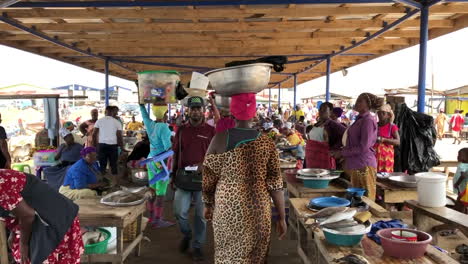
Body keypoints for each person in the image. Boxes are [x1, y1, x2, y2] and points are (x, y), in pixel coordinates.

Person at [203, 93, 287, 264]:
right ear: (254, 112)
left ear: (232, 111)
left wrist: (207, 203)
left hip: (226, 208)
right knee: (255, 257)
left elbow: (208, 177)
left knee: (227, 255)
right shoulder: (267, 143)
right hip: (258, 211)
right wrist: (282, 217)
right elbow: (276, 186)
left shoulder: (219, 138)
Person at [0, 169, 83, 263]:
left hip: (55, 219)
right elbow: (14, 208)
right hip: (40, 219)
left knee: (39, 257)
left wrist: (23, 244)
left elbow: (27, 214)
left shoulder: (1, 182)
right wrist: (14, 232)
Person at [171, 96, 215, 261]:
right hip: (183, 178)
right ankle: (187, 234)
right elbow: (176, 153)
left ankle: (197, 246)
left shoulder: (211, 131)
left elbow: (217, 155)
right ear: (188, 110)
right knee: (179, 212)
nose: (195, 111)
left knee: (201, 216)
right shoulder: (181, 130)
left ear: (203, 111)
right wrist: (172, 174)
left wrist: (204, 165)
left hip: (204, 179)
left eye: (198, 108)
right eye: (193, 108)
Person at [333, 93, 383, 201]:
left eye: (360, 101)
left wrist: (342, 153)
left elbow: (364, 146)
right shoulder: (360, 119)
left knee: (366, 201)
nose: (357, 103)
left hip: (363, 165)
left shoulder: (368, 120)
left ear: (368, 105)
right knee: (356, 200)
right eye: (357, 100)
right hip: (356, 164)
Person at [139, 103, 174, 228]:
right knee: (160, 193)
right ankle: (158, 220)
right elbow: (167, 147)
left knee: (152, 190)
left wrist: (141, 105)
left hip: (151, 160)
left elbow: (144, 115)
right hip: (161, 162)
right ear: (165, 113)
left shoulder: (150, 125)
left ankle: (151, 216)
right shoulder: (164, 127)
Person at [306, 102, 346, 169]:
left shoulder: (333, 125)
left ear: (330, 112)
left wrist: (335, 148)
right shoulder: (317, 124)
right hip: (312, 158)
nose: (321, 112)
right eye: (320, 109)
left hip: (325, 159)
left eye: (324, 110)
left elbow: (346, 134)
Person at [93, 106, 124, 182]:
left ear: (105, 112)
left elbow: (94, 134)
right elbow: (119, 136)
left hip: (102, 145)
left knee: (102, 165)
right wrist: (122, 147)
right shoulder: (117, 122)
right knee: (113, 165)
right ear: (112, 112)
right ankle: (115, 183)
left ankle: (102, 182)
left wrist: (95, 146)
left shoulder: (99, 121)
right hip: (113, 146)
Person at [374, 104, 400, 173]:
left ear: (388, 115)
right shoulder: (375, 125)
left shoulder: (392, 126)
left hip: (386, 158)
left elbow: (398, 142)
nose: (380, 115)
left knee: (385, 176)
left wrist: (384, 140)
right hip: (374, 156)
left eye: (383, 113)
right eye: (379, 113)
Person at [454, 148, 468, 213]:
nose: (457, 156)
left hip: (462, 187)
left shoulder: (463, 165)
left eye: (459, 155)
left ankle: (459, 214)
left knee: (460, 201)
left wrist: (457, 183)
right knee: (463, 201)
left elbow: (463, 176)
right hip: (465, 188)